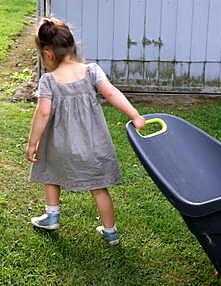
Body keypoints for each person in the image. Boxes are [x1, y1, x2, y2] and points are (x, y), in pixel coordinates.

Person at [26, 18, 145, 245]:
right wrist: (135, 116)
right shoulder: (91, 71)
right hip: (93, 145)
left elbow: (42, 113)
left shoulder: (48, 80)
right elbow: (111, 93)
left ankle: (52, 216)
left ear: (48, 54)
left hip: (59, 146)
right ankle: (110, 232)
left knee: (50, 173)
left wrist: (33, 143)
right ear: (73, 46)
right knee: (99, 187)